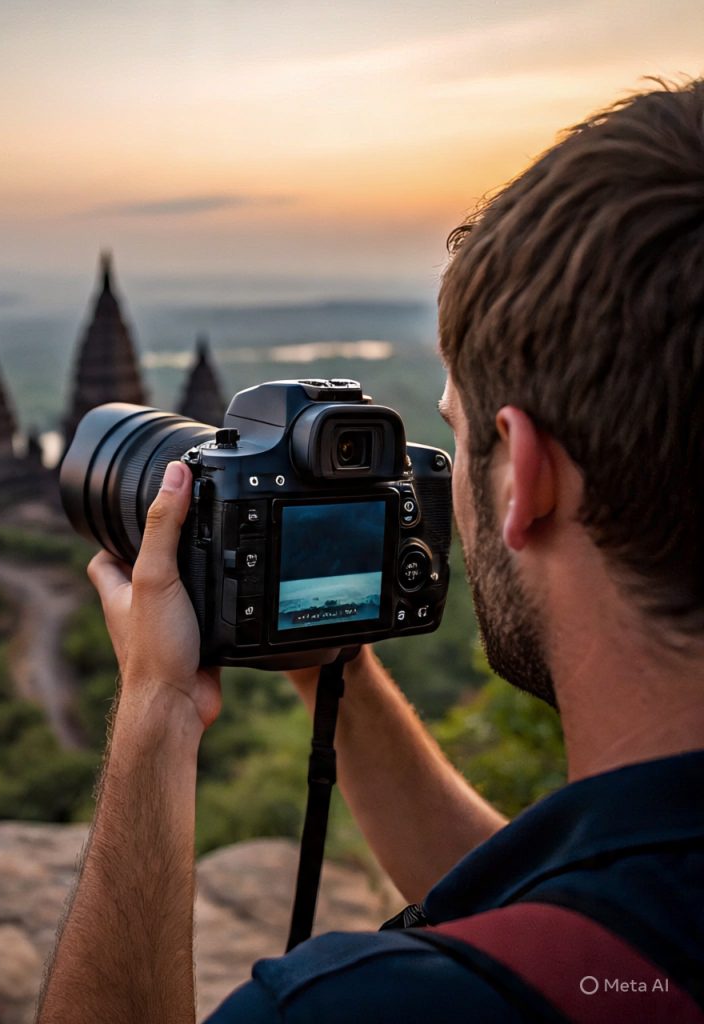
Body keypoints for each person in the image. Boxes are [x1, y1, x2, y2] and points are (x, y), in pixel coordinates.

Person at [36, 78, 704, 1023]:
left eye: (456, 436)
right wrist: (324, 660)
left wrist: (156, 706)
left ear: (523, 475)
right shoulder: (641, 914)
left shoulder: (375, 1007)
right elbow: (577, 920)